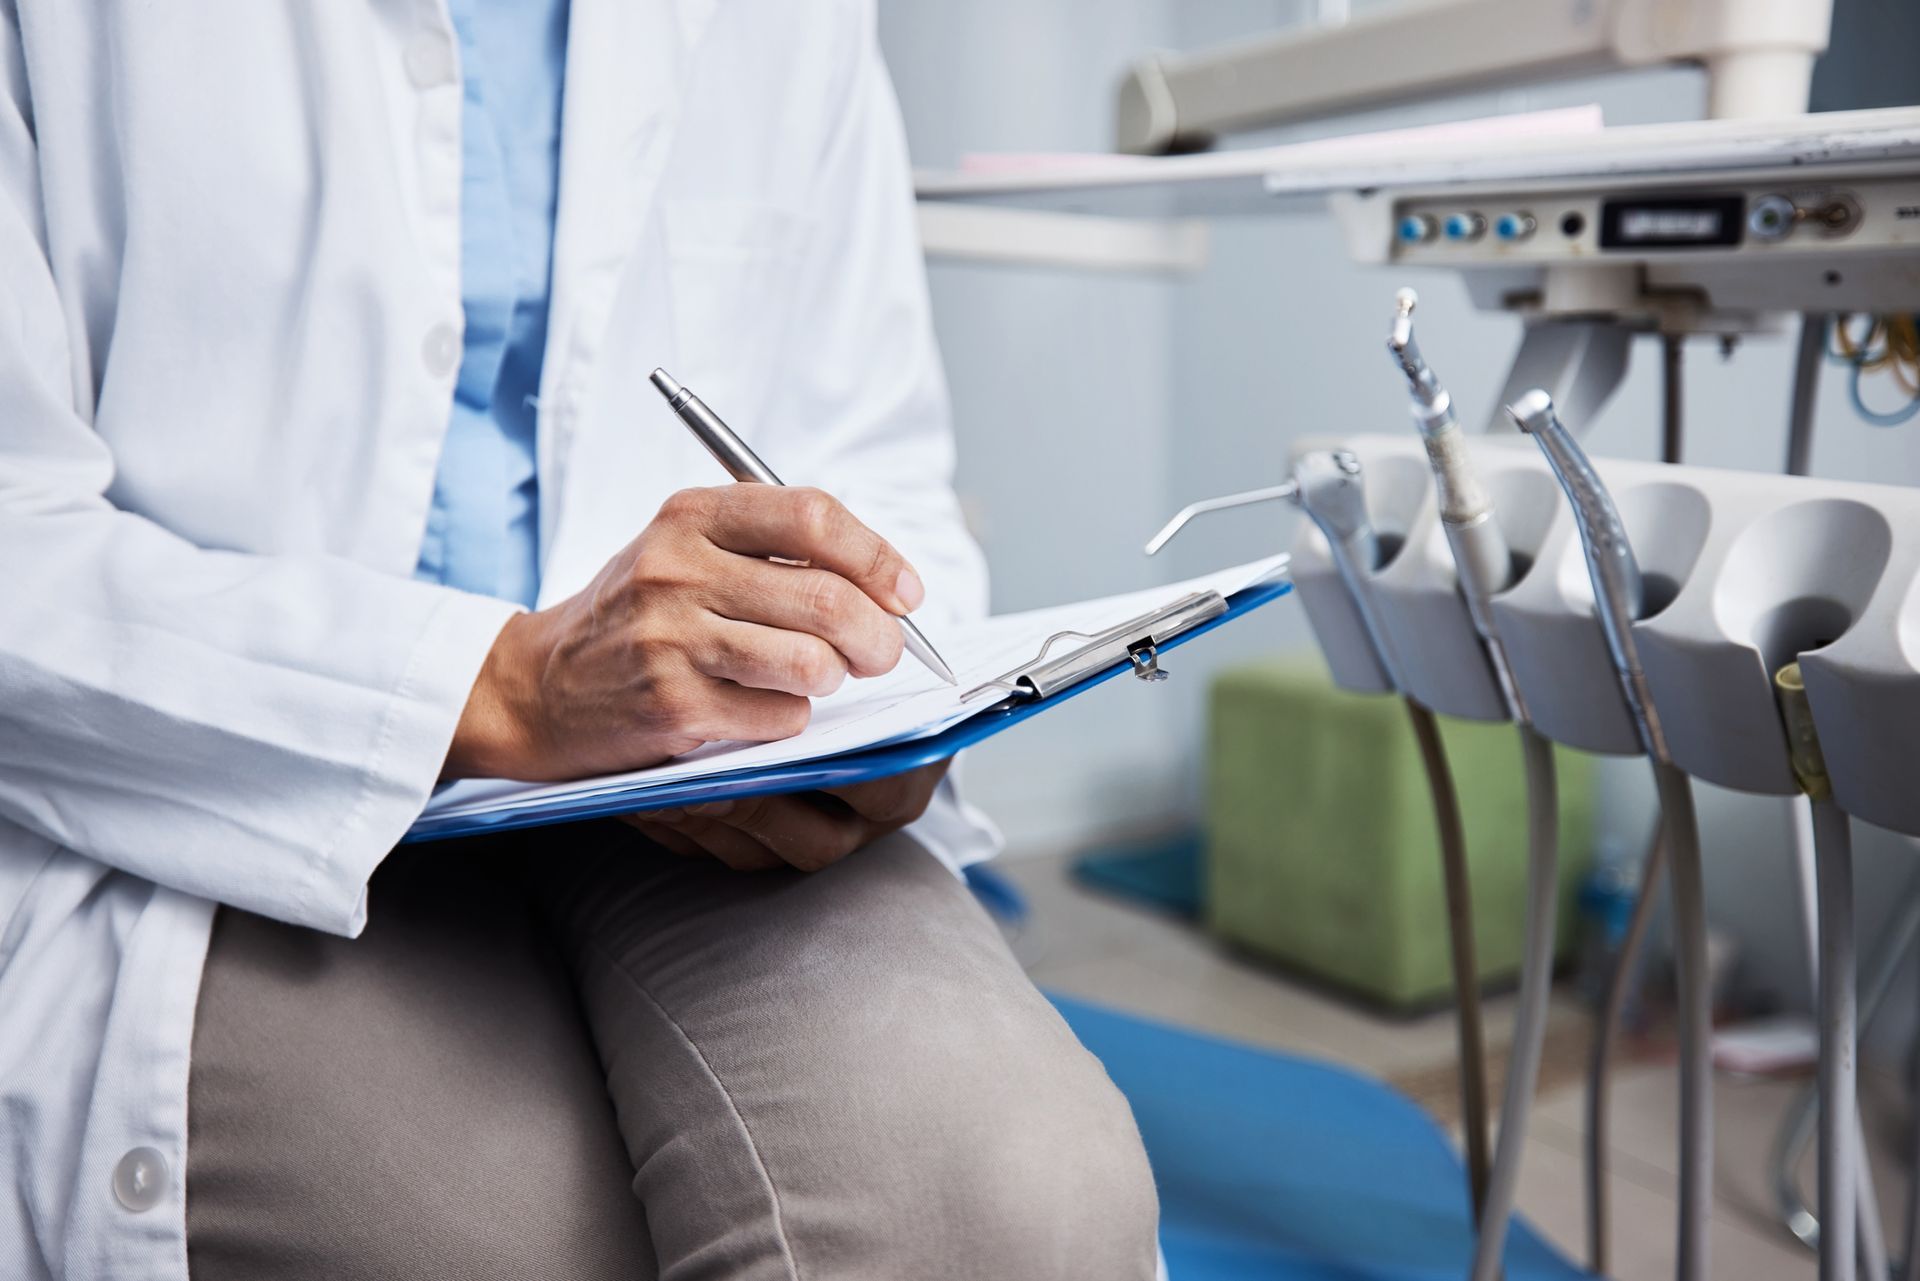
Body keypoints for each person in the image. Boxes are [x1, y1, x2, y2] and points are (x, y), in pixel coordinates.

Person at [0, 1, 1160, 1276]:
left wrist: (873, 698)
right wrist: (499, 691)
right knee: (510, 1241)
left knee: (1010, 1201)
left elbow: (870, 452)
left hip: (691, 785)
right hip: (225, 780)